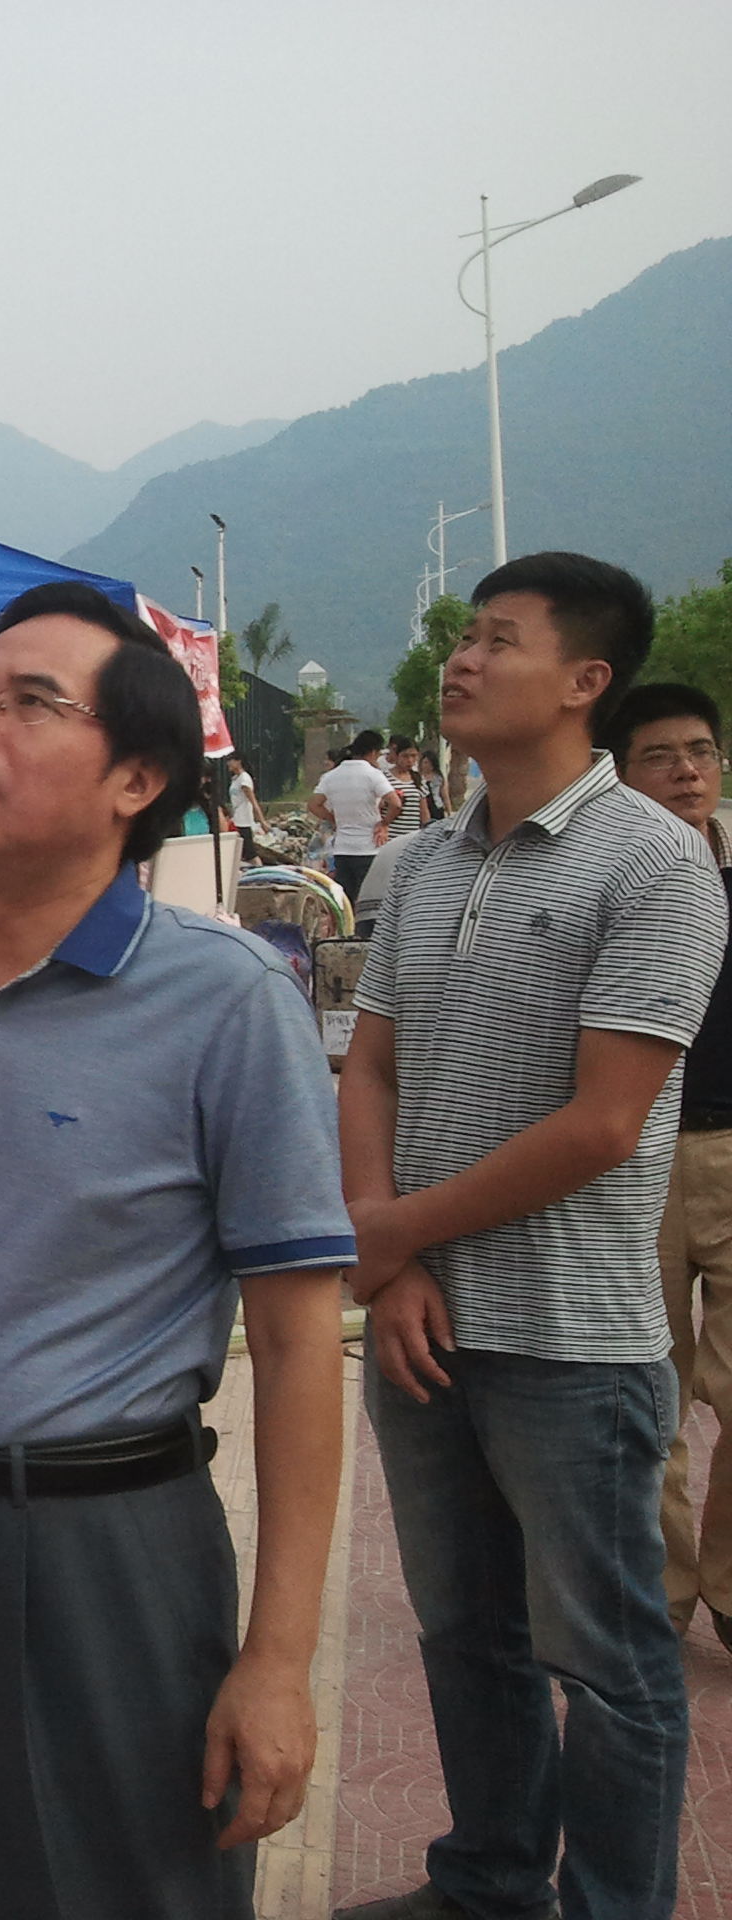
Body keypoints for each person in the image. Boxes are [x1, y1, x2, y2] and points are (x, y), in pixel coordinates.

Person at [0, 581, 348, 1920]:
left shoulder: (226, 1000)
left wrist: (278, 1661)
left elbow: (295, 1339)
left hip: (100, 1550)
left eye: (31, 703)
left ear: (135, 780)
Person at [336, 554, 727, 1920]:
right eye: (465, 635)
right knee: (465, 1635)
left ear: (582, 681)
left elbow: (603, 1124)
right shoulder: (419, 862)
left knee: (608, 1661)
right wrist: (395, 1264)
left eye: (498, 639)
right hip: (423, 1324)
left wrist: (389, 1235)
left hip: (573, 1336)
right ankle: (490, 1882)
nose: (462, 659)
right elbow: (371, 1066)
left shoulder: (658, 865)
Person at [606, 681, 732, 1646]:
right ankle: (663, 1591)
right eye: (661, 756)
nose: (687, 771)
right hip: (631, 1157)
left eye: (701, 751)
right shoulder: (606, 884)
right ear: (619, 773)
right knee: (647, 1397)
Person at [312, 729, 400, 903]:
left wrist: (334, 819)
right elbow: (396, 803)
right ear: (373, 752)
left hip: (342, 849)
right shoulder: (373, 775)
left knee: (346, 900)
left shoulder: (331, 776)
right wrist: (384, 823)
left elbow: (314, 805)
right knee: (368, 899)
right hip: (369, 847)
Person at [226, 748, 263, 860]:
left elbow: (253, 801)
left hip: (244, 821)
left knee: (250, 853)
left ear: (239, 761)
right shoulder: (235, 779)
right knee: (241, 853)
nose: (228, 763)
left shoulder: (244, 779)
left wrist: (262, 821)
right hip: (237, 819)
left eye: (231, 760)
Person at [387, 734, 430, 827]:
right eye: (405, 756)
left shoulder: (419, 779)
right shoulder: (384, 778)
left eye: (413, 756)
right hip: (390, 833)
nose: (410, 760)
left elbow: (424, 811)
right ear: (397, 756)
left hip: (412, 832)